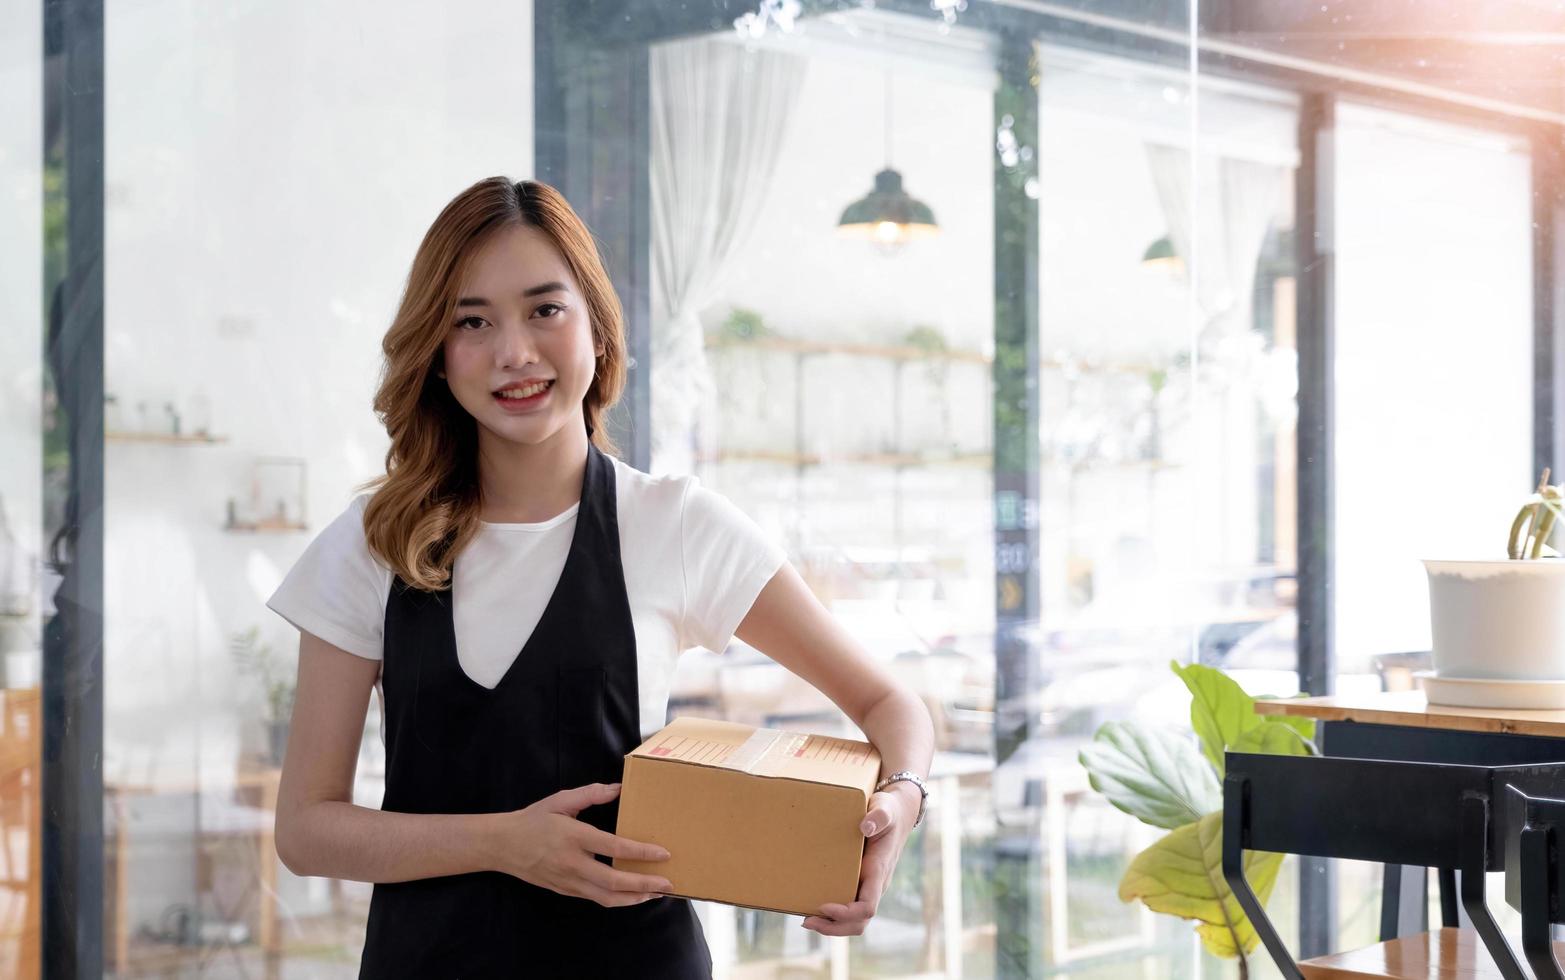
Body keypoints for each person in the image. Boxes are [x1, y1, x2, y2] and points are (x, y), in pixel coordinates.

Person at [267, 177, 935, 978]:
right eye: (472, 321)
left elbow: (887, 702)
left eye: (545, 310)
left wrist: (899, 800)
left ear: (597, 330)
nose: (515, 353)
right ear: (437, 357)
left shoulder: (673, 525)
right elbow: (306, 830)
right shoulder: (375, 543)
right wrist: (505, 844)